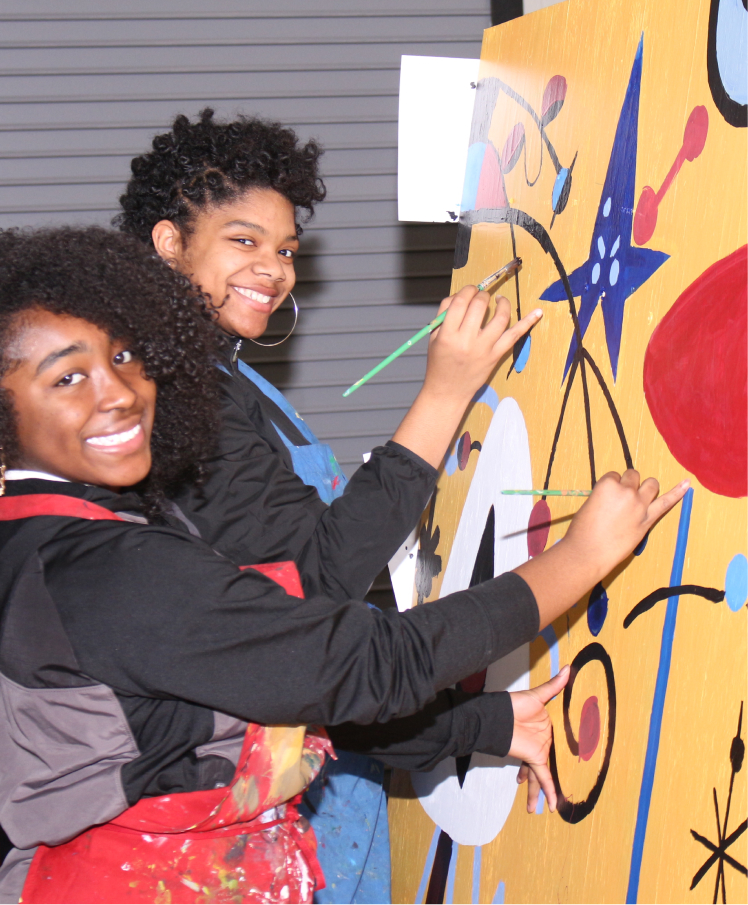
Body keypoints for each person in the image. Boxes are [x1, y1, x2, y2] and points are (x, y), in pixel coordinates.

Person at [0, 227, 686, 904]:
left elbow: (264, 692)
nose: (121, 393)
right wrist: (580, 556)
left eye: (125, 356)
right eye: (68, 377)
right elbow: (359, 664)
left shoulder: (28, 542)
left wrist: (485, 722)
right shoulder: (100, 569)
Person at [116, 109, 545, 903]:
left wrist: (474, 722)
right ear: (169, 242)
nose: (274, 270)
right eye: (243, 241)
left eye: (285, 250)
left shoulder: (232, 379)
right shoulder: (173, 395)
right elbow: (309, 588)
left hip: (325, 761)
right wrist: (444, 394)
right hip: (270, 797)